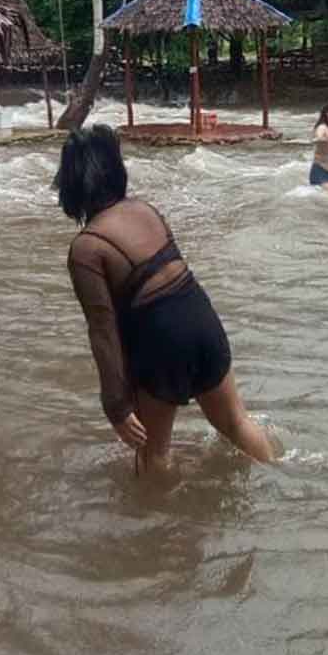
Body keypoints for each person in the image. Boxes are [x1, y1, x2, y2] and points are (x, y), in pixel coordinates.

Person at [58, 125, 277, 474]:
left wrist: (115, 404)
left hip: (163, 338)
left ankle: (159, 527)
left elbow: (103, 331)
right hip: (202, 318)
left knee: (154, 454)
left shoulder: (86, 248)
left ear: (69, 183)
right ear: (117, 172)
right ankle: (282, 478)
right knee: (236, 423)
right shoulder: (145, 210)